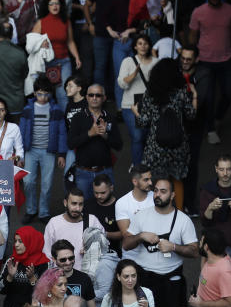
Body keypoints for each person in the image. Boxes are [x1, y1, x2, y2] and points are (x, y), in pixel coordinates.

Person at [122, 177, 198, 307]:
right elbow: (126, 245)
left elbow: (194, 251)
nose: (158, 194)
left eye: (163, 191)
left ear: (172, 195)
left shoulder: (183, 220)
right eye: (155, 190)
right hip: (145, 279)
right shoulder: (142, 216)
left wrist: (173, 247)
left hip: (172, 282)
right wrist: (141, 236)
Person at [137, 60, 196, 208]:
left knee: (155, 182)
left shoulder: (150, 94)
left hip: (155, 146)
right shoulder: (181, 91)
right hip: (178, 145)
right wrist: (195, 96)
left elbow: (143, 122)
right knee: (177, 180)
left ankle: (157, 213)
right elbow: (191, 115)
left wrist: (135, 112)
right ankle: (180, 214)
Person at [187, 0, 231, 145]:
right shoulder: (198, 12)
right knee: (207, 97)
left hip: (226, 60)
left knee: (228, 94)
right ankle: (210, 129)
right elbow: (192, 37)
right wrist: (190, 58)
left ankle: (217, 118)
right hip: (204, 61)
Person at [19, 76, 67, 224]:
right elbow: (20, 132)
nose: (43, 97)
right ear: (34, 93)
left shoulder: (56, 110)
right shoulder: (27, 109)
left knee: (47, 184)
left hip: (49, 151)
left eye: (46, 94)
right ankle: (31, 210)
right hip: (30, 150)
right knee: (27, 182)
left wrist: (61, 154)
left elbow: (62, 133)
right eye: (40, 93)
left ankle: (44, 212)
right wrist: (19, 154)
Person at [67, 84, 122, 200]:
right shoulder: (78, 117)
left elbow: (119, 145)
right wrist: (89, 134)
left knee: (107, 206)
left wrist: (105, 136)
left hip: (105, 171)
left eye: (98, 95)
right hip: (83, 172)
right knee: (84, 208)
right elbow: (71, 143)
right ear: (86, 97)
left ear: (104, 98)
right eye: (91, 95)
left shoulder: (110, 118)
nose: (94, 98)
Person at [0, 228, 50, 307]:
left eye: (20, 241)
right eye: (15, 241)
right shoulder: (11, 261)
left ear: (31, 242)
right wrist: (9, 277)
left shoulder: (43, 264)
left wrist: (33, 280)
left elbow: (46, 294)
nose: (16, 245)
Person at [117, 34, 157, 166]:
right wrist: (134, 74)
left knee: (148, 136)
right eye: (139, 43)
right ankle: (137, 166)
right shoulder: (128, 61)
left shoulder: (156, 62)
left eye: (145, 43)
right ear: (135, 46)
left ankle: (146, 164)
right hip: (130, 104)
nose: (143, 46)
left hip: (150, 104)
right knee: (137, 137)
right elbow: (122, 84)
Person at [43, 189, 101, 271]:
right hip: (61, 275)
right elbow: (47, 253)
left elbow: (103, 246)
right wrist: (54, 274)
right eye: (74, 203)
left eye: (80, 204)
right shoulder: (54, 223)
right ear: (65, 203)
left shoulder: (92, 221)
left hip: (87, 274)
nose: (77, 208)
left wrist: (93, 249)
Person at [115, 164, 153, 243]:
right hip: (132, 254)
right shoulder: (122, 203)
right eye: (146, 180)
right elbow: (126, 235)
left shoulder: (156, 198)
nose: (150, 183)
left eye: (150, 179)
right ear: (135, 182)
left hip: (154, 250)